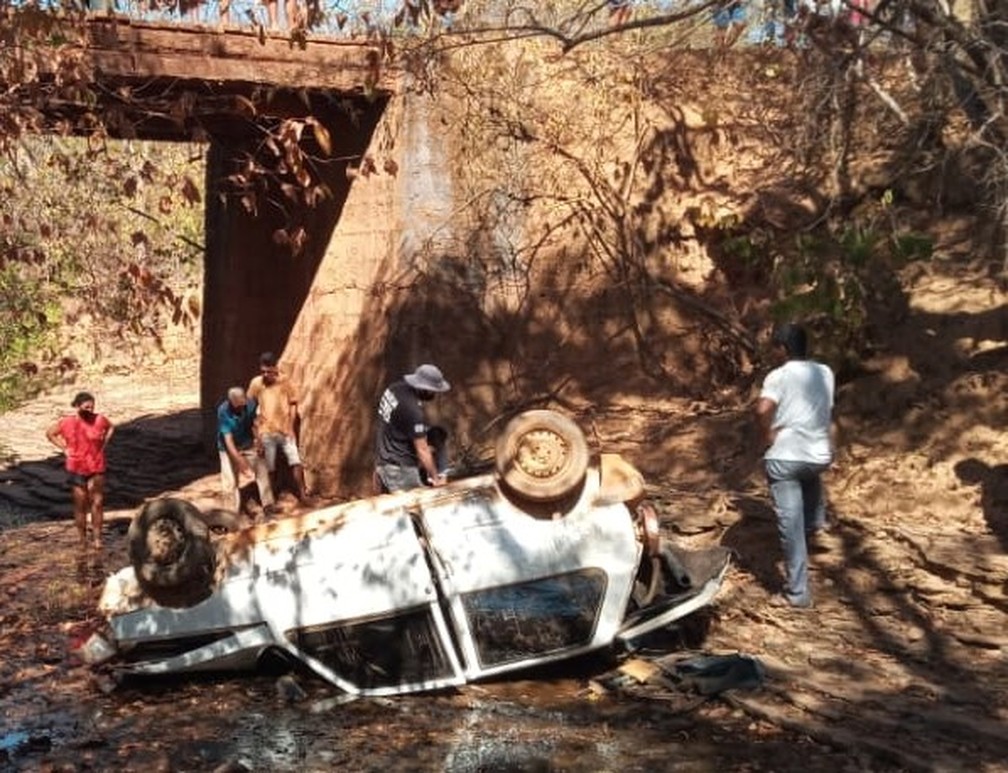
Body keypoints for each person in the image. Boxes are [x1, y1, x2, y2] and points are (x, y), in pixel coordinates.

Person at [754, 323, 835, 608]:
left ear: (783, 349)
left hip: (787, 458)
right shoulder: (825, 372)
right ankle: (817, 523)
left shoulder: (779, 375)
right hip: (819, 456)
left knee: (790, 523)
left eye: (774, 348)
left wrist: (768, 435)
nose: (772, 353)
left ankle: (798, 593)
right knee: (808, 473)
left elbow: (762, 409)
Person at [46, 391, 115, 550]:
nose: (89, 410)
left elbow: (111, 427)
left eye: (92, 407)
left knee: (97, 502)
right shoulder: (67, 422)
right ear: (77, 406)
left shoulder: (100, 419)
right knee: (80, 505)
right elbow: (50, 433)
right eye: (86, 407)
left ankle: (97, 539)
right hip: (76, 467)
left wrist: (104, 444)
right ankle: (82, 539)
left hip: (96, 465)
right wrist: (64, 448)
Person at [375, 364, 451, 494]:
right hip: (401, 472)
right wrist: (435, 478)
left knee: (437, 433)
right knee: (418, 509)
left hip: (384, 462)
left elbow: (389, 426)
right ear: (425, 388)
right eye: (433, 391)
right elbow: (422, 450)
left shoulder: (394, 389)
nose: (435, 394)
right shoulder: (413, 411)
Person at [247, 352, 311, 505]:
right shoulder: (256, 383)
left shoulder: (285, 381)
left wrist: (291, 426)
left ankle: (302, 495)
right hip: (266, 431)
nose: (265, 374)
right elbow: (250, 406)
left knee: (295, 461)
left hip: (285, 430)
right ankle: (270, 500)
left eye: (268, 371)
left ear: (275, 368)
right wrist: (256, 434)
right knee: (269, 466)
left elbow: (293, 404)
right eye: (263, 371)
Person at [217, 386, 276, 517]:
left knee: (262, 470)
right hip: (228, 448)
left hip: (247, 442)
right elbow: (228, 440)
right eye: (238, 407)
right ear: (230, 402)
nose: (241, 409)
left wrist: (259, 442)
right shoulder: (223, 411)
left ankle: (268, 505)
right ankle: (231, 513)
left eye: (243, 405)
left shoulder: (250, 404)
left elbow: (253, 424)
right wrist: (241, 463)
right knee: (230, 480)